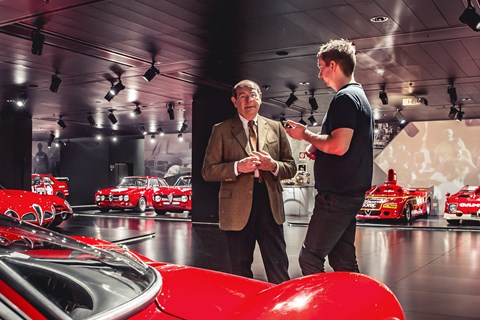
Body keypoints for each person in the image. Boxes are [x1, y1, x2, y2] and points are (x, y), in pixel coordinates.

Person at [284, 39, 374, 275]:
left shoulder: (344, 98)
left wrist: (305, 135)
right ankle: (357, 310)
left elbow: (338, 146)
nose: (320, 73)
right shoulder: (358, 97)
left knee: (309, 258)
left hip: (337, 197)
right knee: (343, 261)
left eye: (321, 66)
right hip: (347, 194)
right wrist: (319, 148)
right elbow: (343, 146)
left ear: (333, 66)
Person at [202, 79, 296, 284]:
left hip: (270, 204)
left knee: (278, 265)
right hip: (236, 207)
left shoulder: (275, 128)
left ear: (260, 97)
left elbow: (291, 167)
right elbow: (208, 171)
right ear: (234, 101)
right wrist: (238, 167)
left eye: (252, 95)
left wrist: (272, 165)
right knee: (239, 268)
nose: (248, 100)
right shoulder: (221, 130)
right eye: (242, 97)